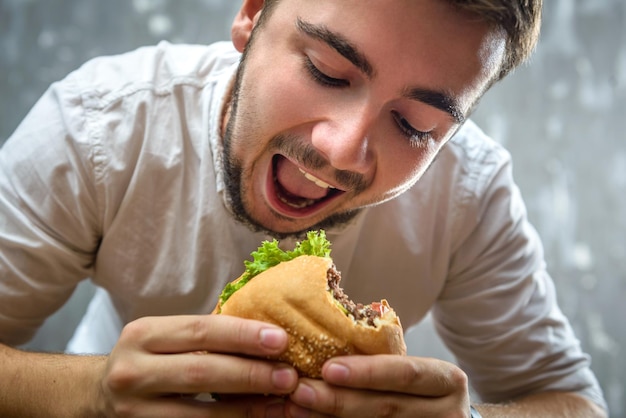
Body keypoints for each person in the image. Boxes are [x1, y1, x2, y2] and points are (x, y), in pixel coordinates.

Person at [0, 0, 608, 416]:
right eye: (326, 71)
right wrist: (91, 393)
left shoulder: (470, 193)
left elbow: (570, 399)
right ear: (251, 15)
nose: (341, 150)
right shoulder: (98, 129)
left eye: (414, 125)